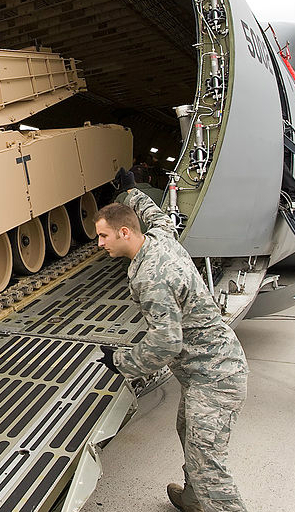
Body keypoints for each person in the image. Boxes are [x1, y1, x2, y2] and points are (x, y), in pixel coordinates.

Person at [95, 169, 249, 512]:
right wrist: (132, 192)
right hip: (206, 370)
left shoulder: (153, 277)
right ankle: (194, 500)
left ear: (123, 233)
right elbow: (158, 217)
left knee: (208, 463)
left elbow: (166, 341)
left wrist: (120, 362)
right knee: (189, 433)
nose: (100, 244)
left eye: (104, 236)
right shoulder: (160, 239)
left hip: (217, 376)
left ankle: (213, 499)